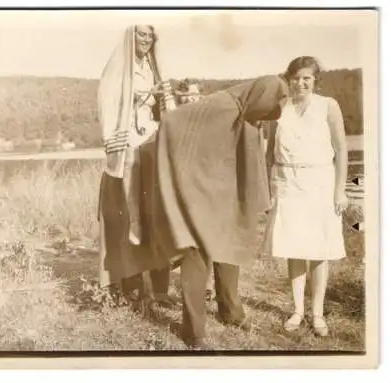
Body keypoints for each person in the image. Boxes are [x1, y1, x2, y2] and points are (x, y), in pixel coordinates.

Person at [146, 74, 289, 348]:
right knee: (195, 255)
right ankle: (193, 331)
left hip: (223, 194)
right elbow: (173, 122)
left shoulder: (247, 109)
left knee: (229, 249)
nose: (269, 113)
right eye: (272, 103)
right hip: (196, 194)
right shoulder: (223, 104)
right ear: (262, 95)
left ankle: (230, 312)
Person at [264, 56, 349, 337]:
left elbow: (342, 150)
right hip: (288, 183)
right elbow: (268, 154)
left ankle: (318, 313)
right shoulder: (281, 108)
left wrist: (340, 189)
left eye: (307, 78)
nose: (300, 83)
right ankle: (298, 310)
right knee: (294, 247)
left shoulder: (328, 106)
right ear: (289, 79)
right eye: (296, 78)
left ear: (315, 80)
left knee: (319, 249)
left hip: (320, 183)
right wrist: (270, 187)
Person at [97, 25, 176, 311]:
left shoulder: (153, 66)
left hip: (151, 139)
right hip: (128, 141)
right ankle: (131, 286)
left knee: (157, 212)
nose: (146, 40)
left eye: (150, 35)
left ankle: (160, 289)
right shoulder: (118, 66)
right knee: (132, 216)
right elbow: (110, 99)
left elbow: (161, 104)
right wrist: (143, 94)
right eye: (141, 34)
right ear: (130, 36)